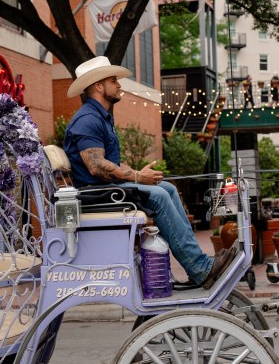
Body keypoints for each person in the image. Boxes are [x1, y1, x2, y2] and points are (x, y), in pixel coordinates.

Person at [63, 56, 235, 288]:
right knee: (159, 196)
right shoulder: (87, 119)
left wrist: (139, 174)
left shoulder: (100, 117)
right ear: (98, 86)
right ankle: (200, 268)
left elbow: (112, 162)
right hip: (96, 193)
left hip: (105, 189)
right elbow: (96, 166)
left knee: (168, 189)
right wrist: (136, 177)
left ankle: (197, 267)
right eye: (113, 80)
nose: (119, 85)